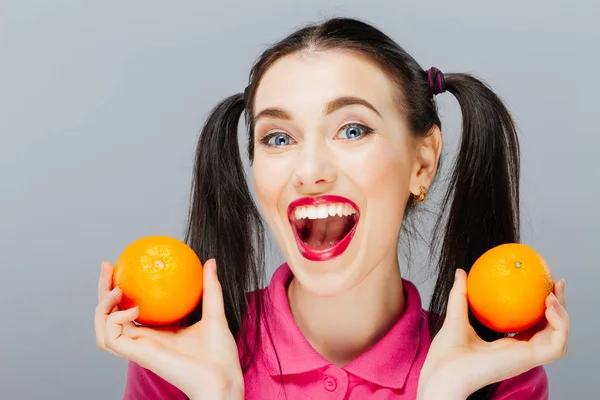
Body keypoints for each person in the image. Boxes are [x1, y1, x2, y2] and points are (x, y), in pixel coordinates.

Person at [94, 17, 569, 400]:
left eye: (353, 130)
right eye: (279, 138)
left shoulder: (495, 376)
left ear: (422, 162)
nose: (310, 169)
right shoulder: (180, 363)